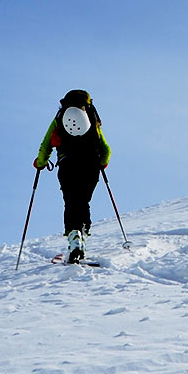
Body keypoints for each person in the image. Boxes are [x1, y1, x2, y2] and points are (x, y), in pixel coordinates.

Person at [33, 89, 110, 264]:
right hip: (91, 166)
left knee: (71, 200)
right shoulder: (92, 119)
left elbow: (46, 144)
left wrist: (41, 162)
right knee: (83, 201)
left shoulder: (59, 119)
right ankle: (83, 234)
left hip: (67, 166)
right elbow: (106, 149)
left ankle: (74, 237)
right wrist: (102, 162)